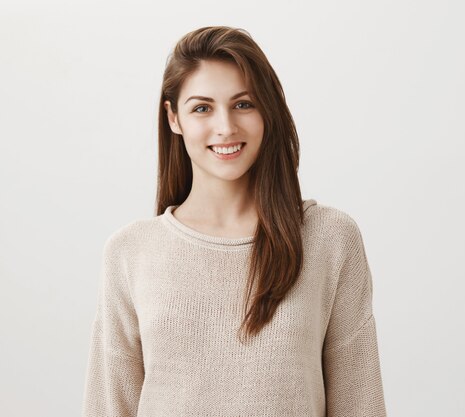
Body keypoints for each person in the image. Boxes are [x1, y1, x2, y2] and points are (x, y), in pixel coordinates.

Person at [81, 25, 387, 417]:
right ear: (173, 117)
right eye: (202, 108)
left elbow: (360, 405)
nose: (225, 127)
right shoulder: (131, 252)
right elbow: (109, 407)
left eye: (243, 104)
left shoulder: (330, 239)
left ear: (268, 111)